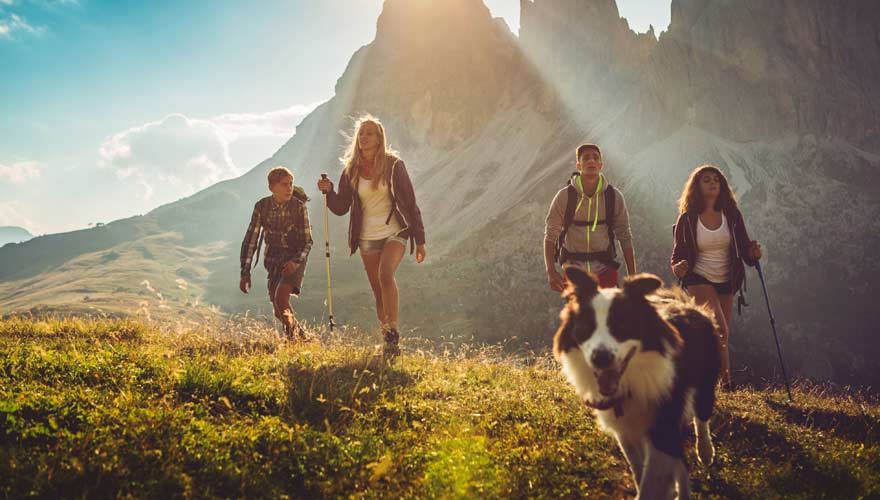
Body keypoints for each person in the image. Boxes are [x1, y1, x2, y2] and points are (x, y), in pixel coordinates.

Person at [317, 115, 426, 357]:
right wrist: (329, 192)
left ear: (379, 139)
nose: (364, 137)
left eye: (369, 133)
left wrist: (420, 240)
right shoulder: (350, 170)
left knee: (385, 274)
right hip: (367, 236)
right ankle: (387, 339)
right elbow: (340, 207)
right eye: (361, 133)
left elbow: (410, 203)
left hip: (395, 231)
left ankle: (393, 331)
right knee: (378, 290)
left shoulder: (394, 165)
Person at [671, 164, 762, 388]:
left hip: (727, 281)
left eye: (716, 180)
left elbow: (744, 248)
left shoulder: (731, 215)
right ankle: (726, 385)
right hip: (698, 278)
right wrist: (678, 267)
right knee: (719, 329)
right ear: (697, 187)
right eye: (706, 180)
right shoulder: (688, 218)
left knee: (720, 335)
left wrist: (753, 252)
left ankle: (701, 377)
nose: (713, 183)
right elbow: (677, 255)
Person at [544, 143, 636, 291]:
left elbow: (624, 235)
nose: (591, 161)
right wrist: (550, 271)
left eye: (595, 158)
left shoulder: (614, 197)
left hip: (605, 269)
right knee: (581, 314)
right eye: (586, 158)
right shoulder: (564, 197)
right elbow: (550, 235)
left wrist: (633, 278)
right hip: (574, 273)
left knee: (609, 314)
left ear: (601, 165)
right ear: (578, 165)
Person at [239, 166, 313, 340]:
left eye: (291, 184)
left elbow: (307, 241)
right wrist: (245, 272)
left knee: (281, 299)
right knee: (278, 309)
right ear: (272, 187)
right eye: (284, 184)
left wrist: (295, 262)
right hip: (272, 261)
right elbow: (251, 239)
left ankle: (293, 342)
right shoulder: (261, 207)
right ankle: (303, 339)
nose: (289, 188)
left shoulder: (299, 207)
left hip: (295, 258)